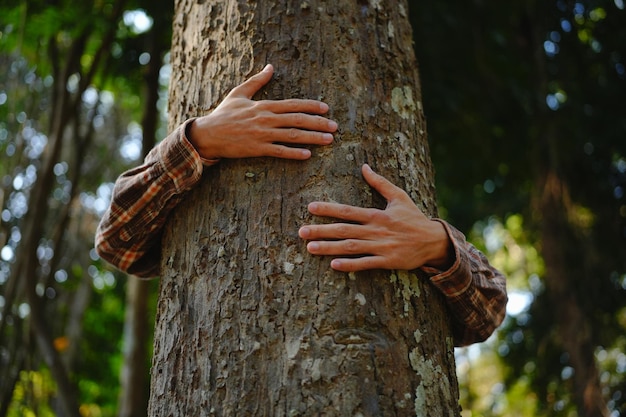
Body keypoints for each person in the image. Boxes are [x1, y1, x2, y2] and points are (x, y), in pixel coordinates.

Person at [95, 64, 507, 347]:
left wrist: (438, 245)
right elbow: (117, 242)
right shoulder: (190, 166)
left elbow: (488, 314)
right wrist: (199, 140)